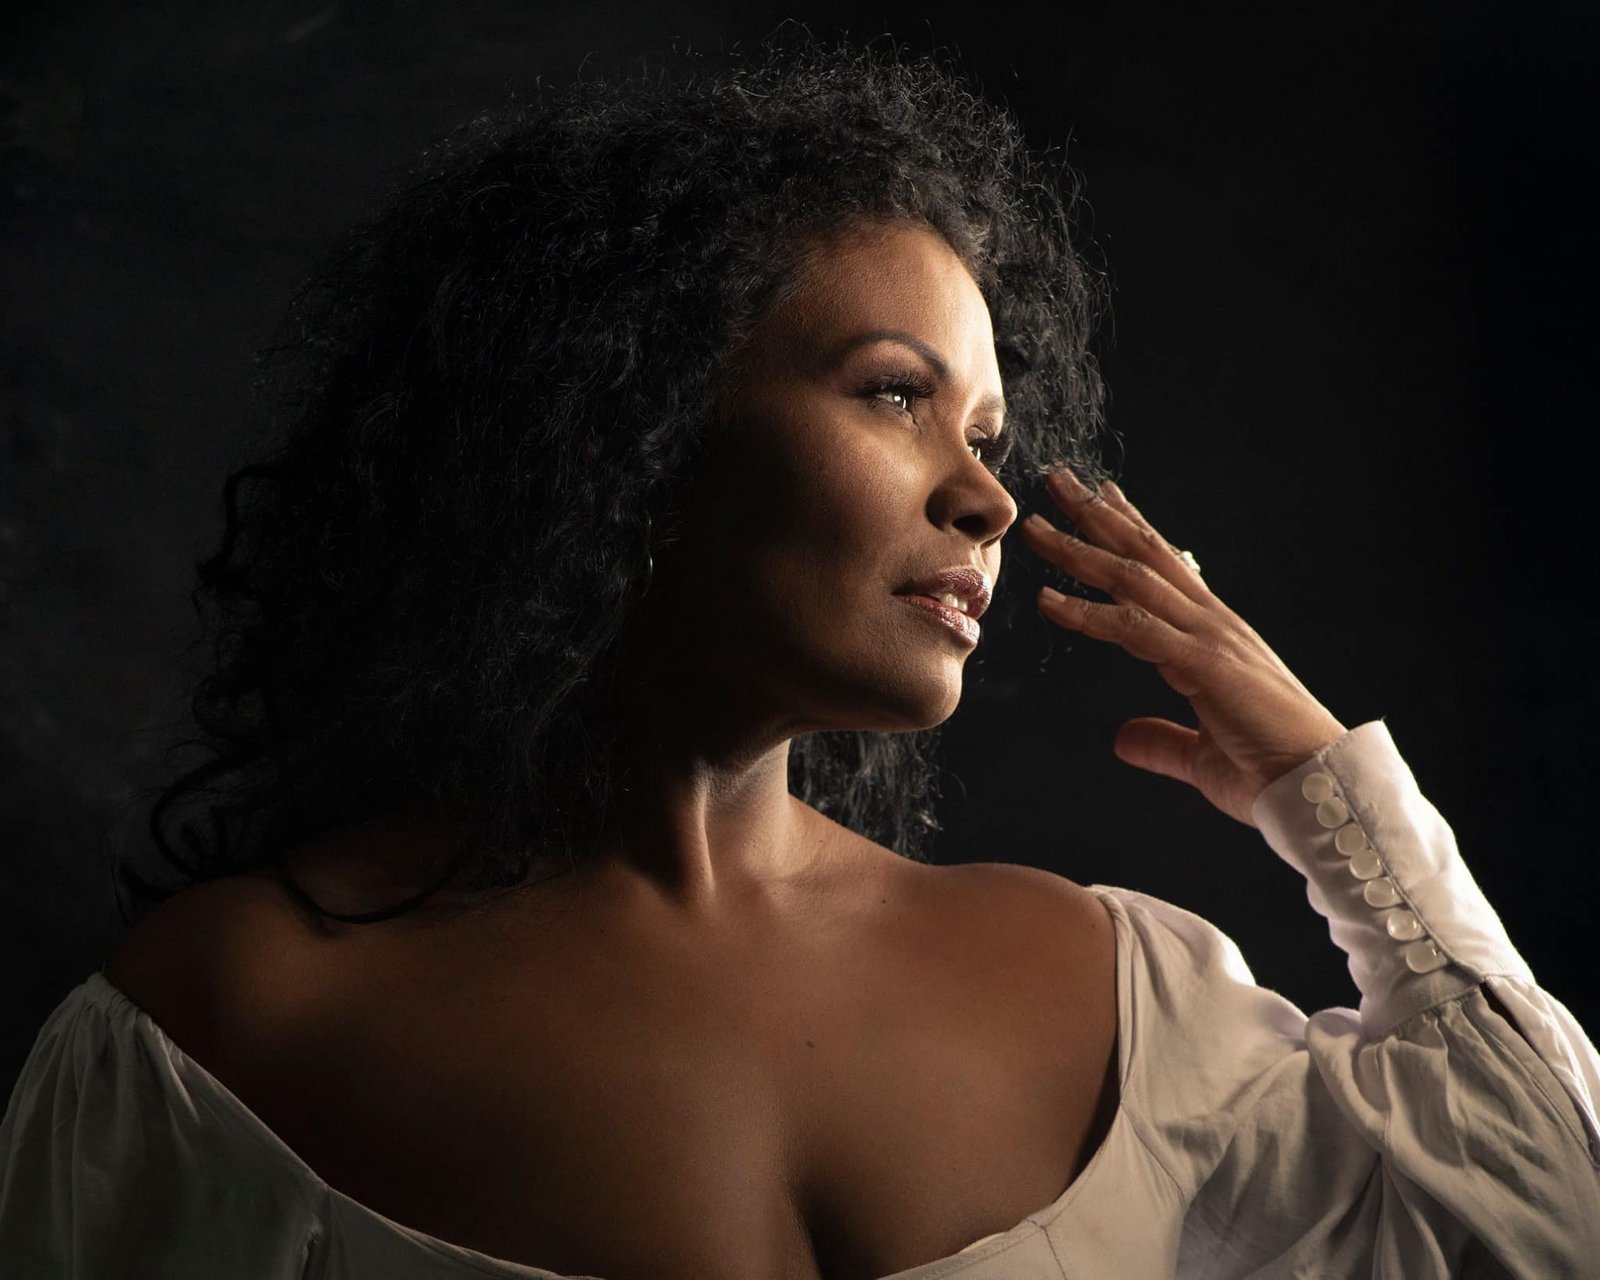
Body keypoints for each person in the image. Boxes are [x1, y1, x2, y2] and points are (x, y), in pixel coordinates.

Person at [2, 33, 1596, 1280]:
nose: (987, 499)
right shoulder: (233, 1027)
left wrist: (1329, 786)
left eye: (989, 435)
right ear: (624, 425)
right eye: (896, 394)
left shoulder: (1110, 989)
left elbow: (1546, 1224)